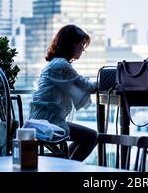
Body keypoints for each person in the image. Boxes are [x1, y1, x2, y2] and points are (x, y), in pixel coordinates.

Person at [29, 24, 98, 162]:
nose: (83, 49)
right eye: (81, 44)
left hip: (40, 120)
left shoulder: (55, 63)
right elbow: (87, 86)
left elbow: (80, 84)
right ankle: (68, 167)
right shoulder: (61, 65)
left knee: (85, 137)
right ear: (71, 44)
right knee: (92, 136)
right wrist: (113, 81)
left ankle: (66, 164)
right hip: (49, 123)